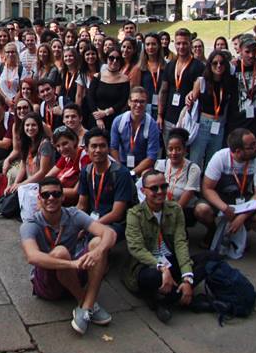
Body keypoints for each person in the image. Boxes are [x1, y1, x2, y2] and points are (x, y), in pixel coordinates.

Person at [19, 176, 115, 336]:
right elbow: (32, 256)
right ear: (39, 199)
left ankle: (87, 306)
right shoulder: (31, 224)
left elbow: (109, 233)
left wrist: (97, 252)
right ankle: (83, 298)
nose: (51, 198)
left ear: (63, 197)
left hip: (73, 273)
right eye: (46, 195)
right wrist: (73, 264)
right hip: (48, 284)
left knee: (98, 242)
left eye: (56, 194)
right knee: (61, 252)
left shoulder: (73, 214)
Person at [124, 170, 197, 324]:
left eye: (163, 187)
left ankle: (166, 298)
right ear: (144, 191)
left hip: (170, 259)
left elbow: (180, 242)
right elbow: (137, 249)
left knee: (208, 260)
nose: (160, 192)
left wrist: (187, 278)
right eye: (154, 188)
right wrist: (161, 268)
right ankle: (184, 298)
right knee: (153, 278)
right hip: (149, 265)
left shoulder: (175, 209)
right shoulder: (134, 214)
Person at [195, 128, 256, 251]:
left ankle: (239, 230)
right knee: (201, 210)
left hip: (243, 198)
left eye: (255, 143)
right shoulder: (220, 158)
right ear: (238, 151)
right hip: (221, 196)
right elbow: (207, 188)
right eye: (251, 146)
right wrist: (223, 207)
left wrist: (242, 217)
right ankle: (213, 231)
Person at [76, 128, 134, 241]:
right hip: (93, 219)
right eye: (94, 146)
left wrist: (90, 226)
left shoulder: (121, 173)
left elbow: (117, 213)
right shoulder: (86, 171)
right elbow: (82, 205)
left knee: (96, 240)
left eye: (102, 146)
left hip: (115, 224)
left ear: (108, 149)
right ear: (86, 150)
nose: (98, 150)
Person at [159, 29, 204, 138]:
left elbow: (196, 93)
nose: (181, 46)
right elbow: (164, 91)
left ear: (190, 44)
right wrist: (160, 115)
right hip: (168, 119)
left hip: (187, 120)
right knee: (170, 153)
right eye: (178, 43)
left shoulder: (199, 66)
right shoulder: (170, 65)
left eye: (185, 43)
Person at [109, 86, 161, 177]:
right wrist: (120, 169)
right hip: (121, 162)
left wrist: (131, 173)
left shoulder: (152, 125)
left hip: (143, 165)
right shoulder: (118, 121)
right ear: (129, 102)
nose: (138, 105)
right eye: (135, 101)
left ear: (146, 103)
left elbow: (152, 156)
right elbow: (113, 148)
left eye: (142, 101)